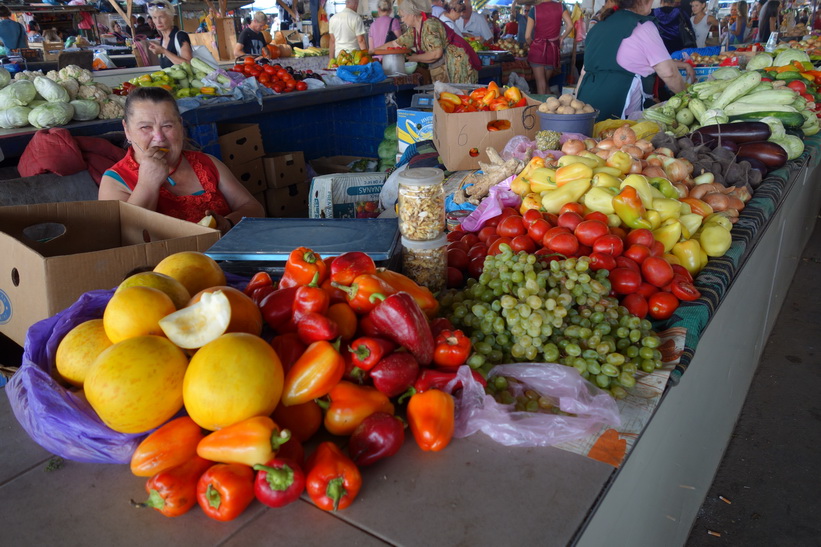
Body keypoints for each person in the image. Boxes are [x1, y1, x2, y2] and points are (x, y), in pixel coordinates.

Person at [99, 87, 264, 234]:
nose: (159, 137)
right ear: (127, 130)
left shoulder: (207, 163)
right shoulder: (115, 181)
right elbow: (123, 239)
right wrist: (147, 184)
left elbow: (254, 209)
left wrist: (227, 223)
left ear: (180, 125)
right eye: (145, 127)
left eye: (167, 126)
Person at [576, 0, 695, 122]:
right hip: (618, 109)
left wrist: (575, 106)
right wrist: (687, 98)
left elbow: (584, 73)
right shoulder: (643, 25)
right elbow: (669, 73)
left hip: (585, 109)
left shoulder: (598, 27)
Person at [383, 0, 478, 84]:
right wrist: (372, 51)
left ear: (412, 14)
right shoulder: (415, 29)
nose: (402, 20)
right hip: (445, 66)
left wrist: (415, 58)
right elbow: (394, 44)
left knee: (460, 99)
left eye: (403, 16)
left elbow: (436, 53)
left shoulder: (429, 24)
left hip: (457, 64)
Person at [525, 0, 573, 95]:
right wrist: (561, 38)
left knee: (541, 83)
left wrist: (533, 45)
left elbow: (527, 36)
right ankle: (548, 108)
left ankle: (542, 108)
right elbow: (570, 25)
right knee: (545, 83)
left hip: (537, 50)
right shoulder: (561, 6)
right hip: (553, 50)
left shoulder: (534, 9)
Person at [146, 1, 193, 68]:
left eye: (161, 17)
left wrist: (163, 51)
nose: (158, 22)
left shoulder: (180, 36)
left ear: (171, 17)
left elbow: (189, 64)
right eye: (155, 17)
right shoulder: (163, 38)